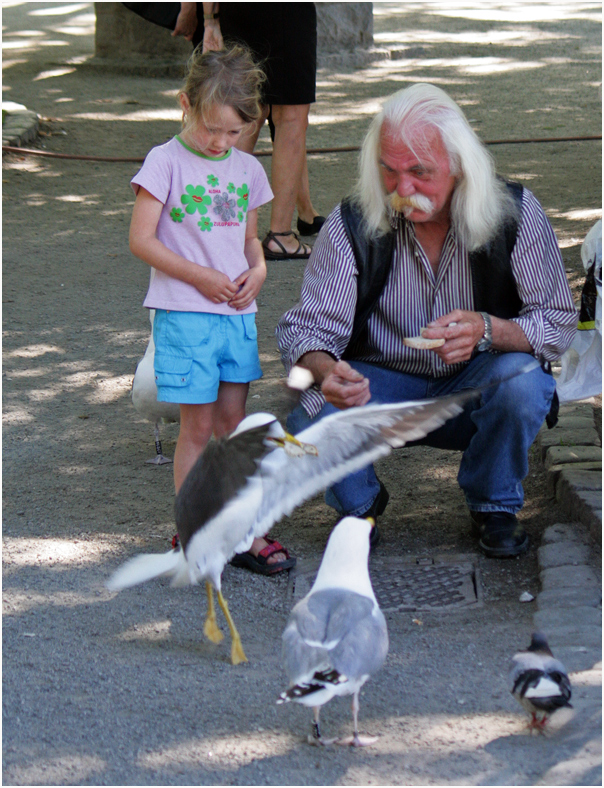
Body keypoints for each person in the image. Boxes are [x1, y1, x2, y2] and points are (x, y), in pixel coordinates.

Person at [276, 83, 578, 559]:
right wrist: (327, 369)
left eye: (420, 172)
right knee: (311, 405)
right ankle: (360, 505)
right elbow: (307, 330)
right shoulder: (352, 222)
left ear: (458, 165)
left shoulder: (514, 214)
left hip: (476, 387)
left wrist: (487, 330)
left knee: (523, 381)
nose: (403, 190)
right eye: (389, 172)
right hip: (380, 389)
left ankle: (493, 503)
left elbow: (558, 325)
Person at [129, 46, 294, 574]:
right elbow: (141, 240)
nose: (221, 142)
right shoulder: (165, 161)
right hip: (185, 314)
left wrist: (261, 271)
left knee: (233, 425)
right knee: (197, 429)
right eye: (211, 129)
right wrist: (199, 276)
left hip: (235, 317)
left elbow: (249, 239)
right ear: (186, 104)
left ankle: (244, 530)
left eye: (234, 132)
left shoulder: (245, 168)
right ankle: (195, 530)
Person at [173, 2, 324, 259]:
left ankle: (215, 225)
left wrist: (210, 19)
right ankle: (280, 235)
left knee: (249, 108)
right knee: (291, 115)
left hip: (238, 9)